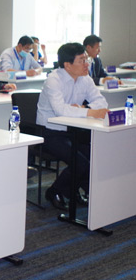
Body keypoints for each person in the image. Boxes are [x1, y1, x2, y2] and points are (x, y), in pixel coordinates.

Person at [36, 42, 109, 210]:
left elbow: (101, 102)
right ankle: (54, 191)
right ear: (67, 65)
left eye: (86, 59)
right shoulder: (54, 80)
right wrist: (89, 112)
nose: (87, 64)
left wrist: (84, 108)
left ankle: (72, 190)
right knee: (80, 162)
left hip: (73, 130)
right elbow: (60, 110)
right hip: (49, 132)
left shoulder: (85, 78)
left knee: (95, 156)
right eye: (82, 60)